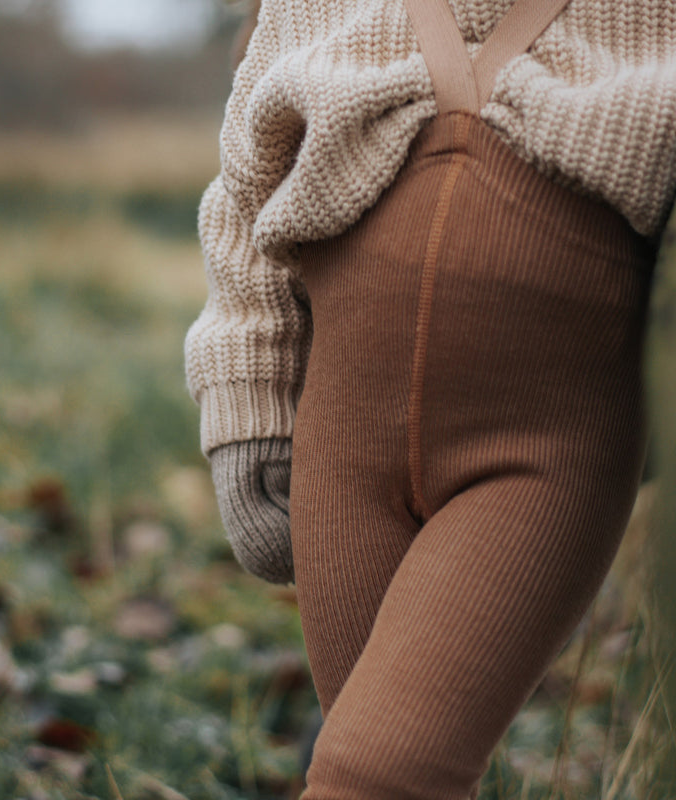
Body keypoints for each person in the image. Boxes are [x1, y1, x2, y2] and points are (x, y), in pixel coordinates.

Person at [185, 0, 676, 796]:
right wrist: (248, 407)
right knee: (381, 747)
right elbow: (246, 194)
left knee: (375, 774)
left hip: (537, 462)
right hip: (340, 453)